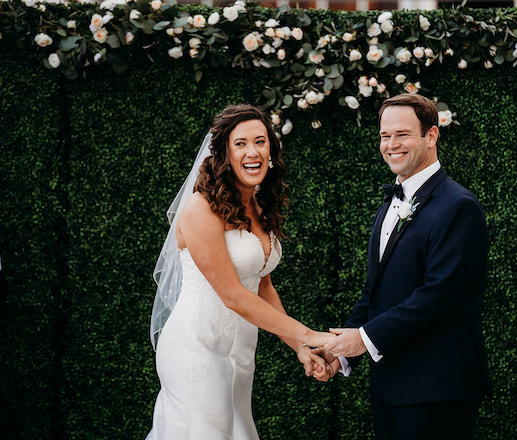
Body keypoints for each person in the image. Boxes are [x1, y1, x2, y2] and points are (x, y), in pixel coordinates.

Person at [146, 104, 335, 440]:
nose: (253, 152)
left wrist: (300, 349)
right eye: (241, 144)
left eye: (260, 142)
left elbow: (263, 286)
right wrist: (310, 335)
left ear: (272, 151)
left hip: (239, 351)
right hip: (196, 347)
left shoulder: (260, 207)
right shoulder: (201, 210)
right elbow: (233, 294)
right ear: (224, 155)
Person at [317, 93, 491, 439]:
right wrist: (340, 354)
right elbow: (376, 291)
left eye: (402, 134)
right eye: (384, 135)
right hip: (392, 388)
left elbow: (438, 295)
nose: (391, 144)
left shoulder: (459, 206)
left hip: (436, 391)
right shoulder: (391, 203)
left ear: (431, 135)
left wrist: (363, 340)